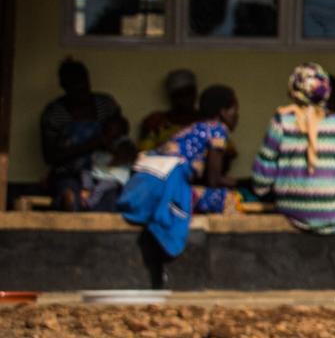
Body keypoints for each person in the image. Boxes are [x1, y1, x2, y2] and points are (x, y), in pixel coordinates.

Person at [119, 84, 240, 268]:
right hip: (167, 185)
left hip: (148, 186)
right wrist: (243, 184)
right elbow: (213, 181)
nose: (236, 116)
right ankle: (228, 264)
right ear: (223, 112)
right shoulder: (217, 130)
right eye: (234, 110)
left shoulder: (194, 128)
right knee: (231, 200)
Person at [251, 63, 335, 235]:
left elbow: (262, 176)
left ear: (294, 89)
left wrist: (266, 191)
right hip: (334, 209)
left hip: (292, 208)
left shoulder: (281, 121)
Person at [39, 58, 122, 211]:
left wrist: (114, 132)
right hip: (68, 175)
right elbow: (50, 156)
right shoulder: (54, 114)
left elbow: (122, 129)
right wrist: (92, 143)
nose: (81, 89)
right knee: (69, 198)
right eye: (74, 86)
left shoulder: (105, 105)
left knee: (109, 199)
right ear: (64, 87)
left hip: (104, 172)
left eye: (83, 83)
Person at [137, 69, 199, 153]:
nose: (185, 99)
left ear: (195, 93)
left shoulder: (206, 121)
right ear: (172, 97)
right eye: (180, 95)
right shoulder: (156, 123)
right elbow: (144, 154)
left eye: (188, 93)